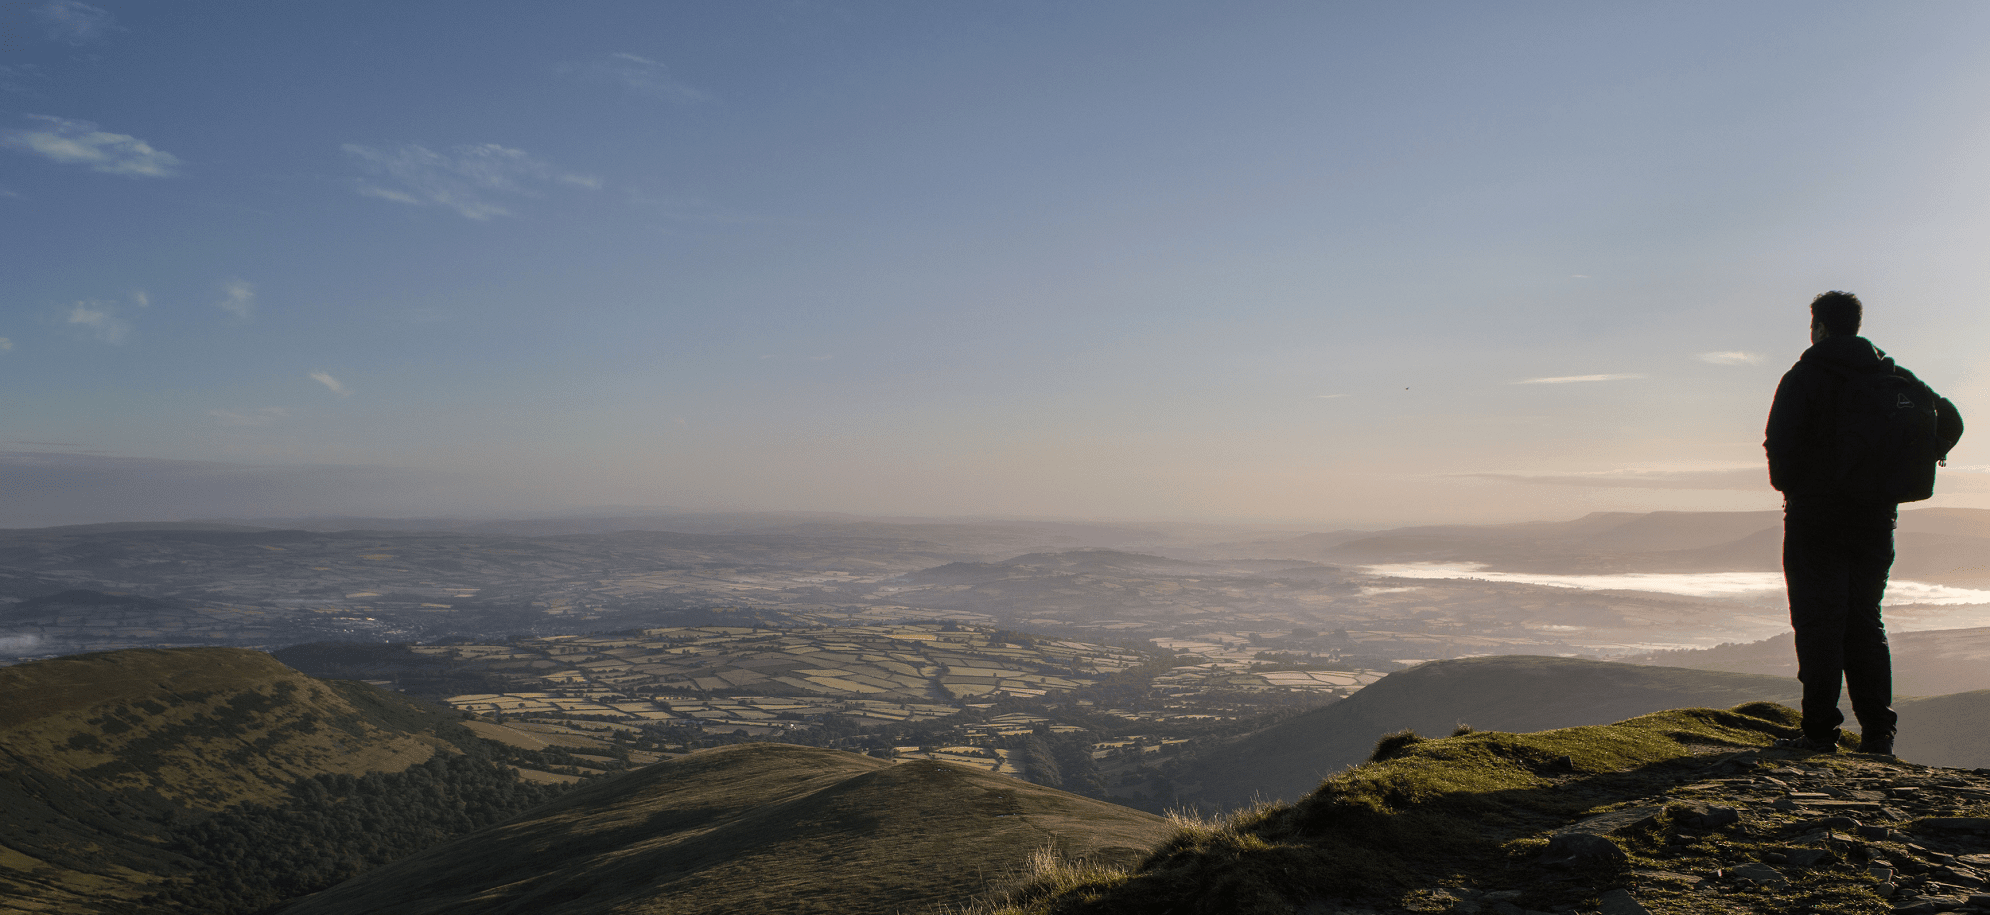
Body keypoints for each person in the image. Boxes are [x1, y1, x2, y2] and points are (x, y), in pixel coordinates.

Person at [1763, 291, 1961, 755]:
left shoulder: (1805, 376)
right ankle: (1877, 733)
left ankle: (1818, 733)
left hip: (1815, 516)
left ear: (1820, 327)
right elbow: (1949, 419)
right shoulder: (1893, 376)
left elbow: (1779, 442)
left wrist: (1796, 484)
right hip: (1876, 518)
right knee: (1864, 619)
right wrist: (1912, 463)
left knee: (1818, 620)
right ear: (1856, 325)